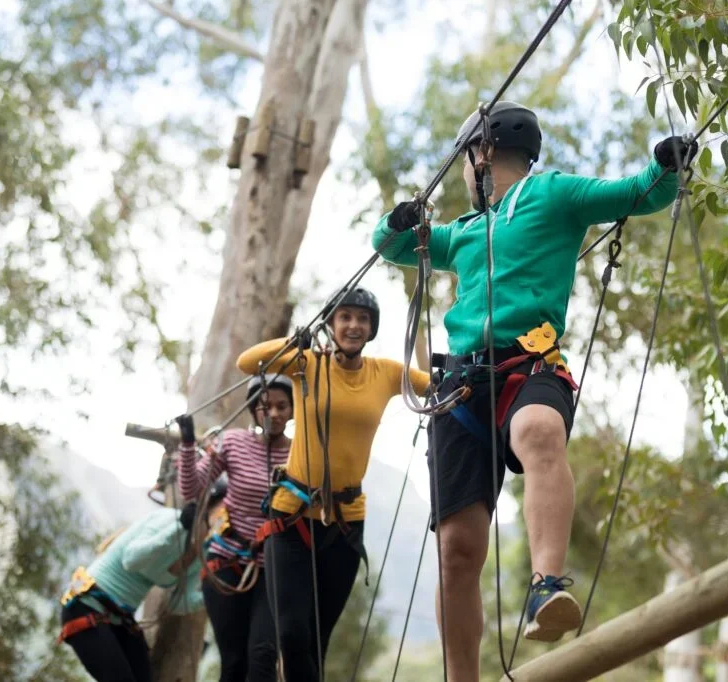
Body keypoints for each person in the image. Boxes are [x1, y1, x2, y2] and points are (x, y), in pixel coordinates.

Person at [371, 100, 696, 681]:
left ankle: (546, 586)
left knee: (539, 431)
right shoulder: (465, 231)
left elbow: (637, 194)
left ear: (482, 153)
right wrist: (395, 222)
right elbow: (393, 247)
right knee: (458, 550)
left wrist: (667, 168)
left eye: (470, 160)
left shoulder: (554, 194)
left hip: (532, 364)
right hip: (460, 388)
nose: (468, 172)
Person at [236, 286, 431, 680]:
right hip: (290, 517)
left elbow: (434, 387)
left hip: (344, 522)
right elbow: (247, 361)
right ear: (330, 324)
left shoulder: (386, 373)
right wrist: (295, 341)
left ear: (372, 328)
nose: (354, 325)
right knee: (291, 635)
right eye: (344, 317)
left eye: (362, 319)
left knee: (317, 639)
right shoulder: (306, 363)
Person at [174, 375, 294, 682]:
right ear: (254, 409)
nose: (275, 414)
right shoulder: (233, 442)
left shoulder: (300, 454)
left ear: (294, 411)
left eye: (283, 406)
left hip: (273, 568)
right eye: (266, 406)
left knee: (263, 654)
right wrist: (188, 445)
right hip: (226, 561)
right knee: (234, 660)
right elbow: (192, 489)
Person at [57, 487, 224, 682]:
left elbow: (178, 602)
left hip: (120, 619)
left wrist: (214, 594)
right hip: (86, 606)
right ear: (210, 505)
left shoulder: (202, 552)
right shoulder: (168, 520)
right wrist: (179, 529)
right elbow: (132, 559)